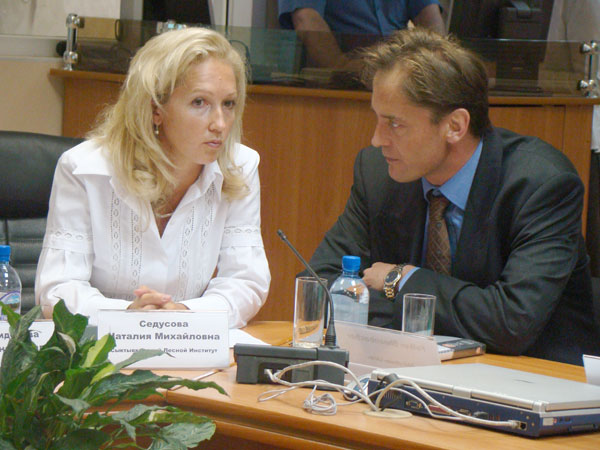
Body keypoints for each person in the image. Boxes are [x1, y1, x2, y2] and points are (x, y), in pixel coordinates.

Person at [308, 27, 600, 365]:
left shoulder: (541, 185)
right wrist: (447, 308)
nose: (377, 139)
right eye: (377, 119)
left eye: (395, 124)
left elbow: (511, 323)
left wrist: (400, 280)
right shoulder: (378, 174)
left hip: (534, 379)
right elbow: (319, 286)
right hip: (413, 375)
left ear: (455, 126)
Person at [35, 27, 271, 328]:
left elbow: (246, 281)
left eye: (228, 104)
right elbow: (57, 291)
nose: (220, 124)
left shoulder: (240, 167)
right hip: (101, 348)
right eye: (200, 102)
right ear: (155, 109)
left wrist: (183, 313)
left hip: (190, 342)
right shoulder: (85, 170)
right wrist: (129, 316)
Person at [278, 0, 445, 69]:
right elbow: (306, 18)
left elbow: (429, 16)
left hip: (400, 78)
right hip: (337, 83)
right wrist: (343, 68)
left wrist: (437, 62)